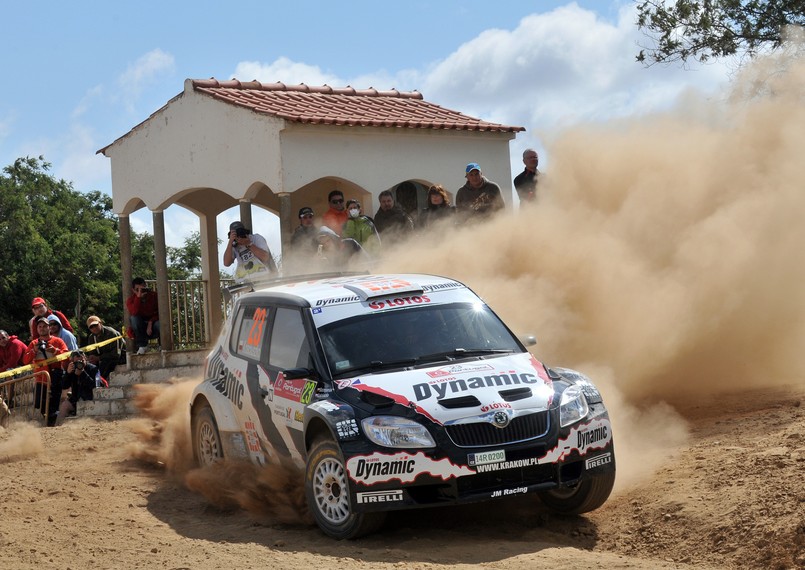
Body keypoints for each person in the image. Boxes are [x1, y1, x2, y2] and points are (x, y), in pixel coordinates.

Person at [22, 316, 68, 426]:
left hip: (55, 376)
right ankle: (49, 422)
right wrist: (34, 351)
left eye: (45, 326)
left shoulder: (58, 341)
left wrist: (54, 350)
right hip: (40, 378)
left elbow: (66, 355)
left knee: (53, 403)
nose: (42, 328)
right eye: (40, 326)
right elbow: (25, 360)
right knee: (40, 404)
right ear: (37, 329)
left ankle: (52, 425)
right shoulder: (33, 343)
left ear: (49, 328)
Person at [56, 350, 105, 425]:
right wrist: (68, 374)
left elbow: (98, 386)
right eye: (77, 362)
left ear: (85, 359)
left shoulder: (93, 369)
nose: (80, 363)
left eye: (82, 360)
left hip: (90, 398)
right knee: (64, 405)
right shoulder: (71, 370)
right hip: (76, 398)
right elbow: (64, 386)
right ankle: (58, 427)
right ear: (72, 362)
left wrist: (82, 374)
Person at [126, 277, 160, 355]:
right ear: (133, 290)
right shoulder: (131, 300)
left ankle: (162, 345)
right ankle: (142, 345)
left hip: (153, 324)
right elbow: (134, 312)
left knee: (160, 324)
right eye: (137, 289)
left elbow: (161, 312)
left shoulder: (154, 296)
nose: (140, 291)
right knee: (134, 318)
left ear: (146, 286)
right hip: (140, 328)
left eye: (142, 288)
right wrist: (138, 298)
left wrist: (150, 322)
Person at [85, 315, 122, 380]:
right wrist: (91, 358)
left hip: (118, 357)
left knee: (104, 367)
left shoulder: (111, 333)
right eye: (91, 327)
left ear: (100, 323)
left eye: (96, 325)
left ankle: (99, 383)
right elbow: (93, 353)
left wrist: (98, 358)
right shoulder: (91, 338)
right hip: (103, 358)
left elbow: (116, 354)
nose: (94, 328)